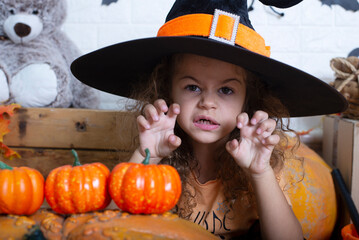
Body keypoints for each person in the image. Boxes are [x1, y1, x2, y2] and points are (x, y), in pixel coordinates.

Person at [71, 0, 348, 239]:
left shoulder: (262, 163)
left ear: (248, 101)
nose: (208, 102)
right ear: (166, 90)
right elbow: (101, 231)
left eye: (226, 90)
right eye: (192, 87)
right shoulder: (154, 159)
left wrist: (260, 173)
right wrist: (148, 157)